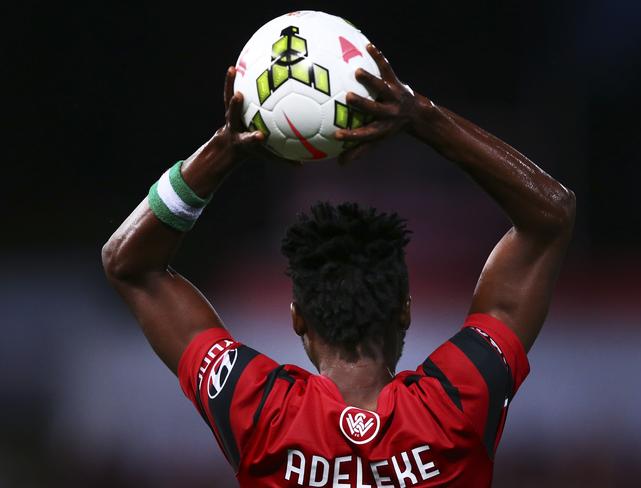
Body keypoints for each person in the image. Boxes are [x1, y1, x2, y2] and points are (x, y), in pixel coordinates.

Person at [102, 44, 575, 487]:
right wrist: (422, 118)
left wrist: (223, 150)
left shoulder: (260, 410)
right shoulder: (458, 401)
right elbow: (550, 214)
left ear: (297, 316)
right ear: (405, 310)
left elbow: (128, 263)